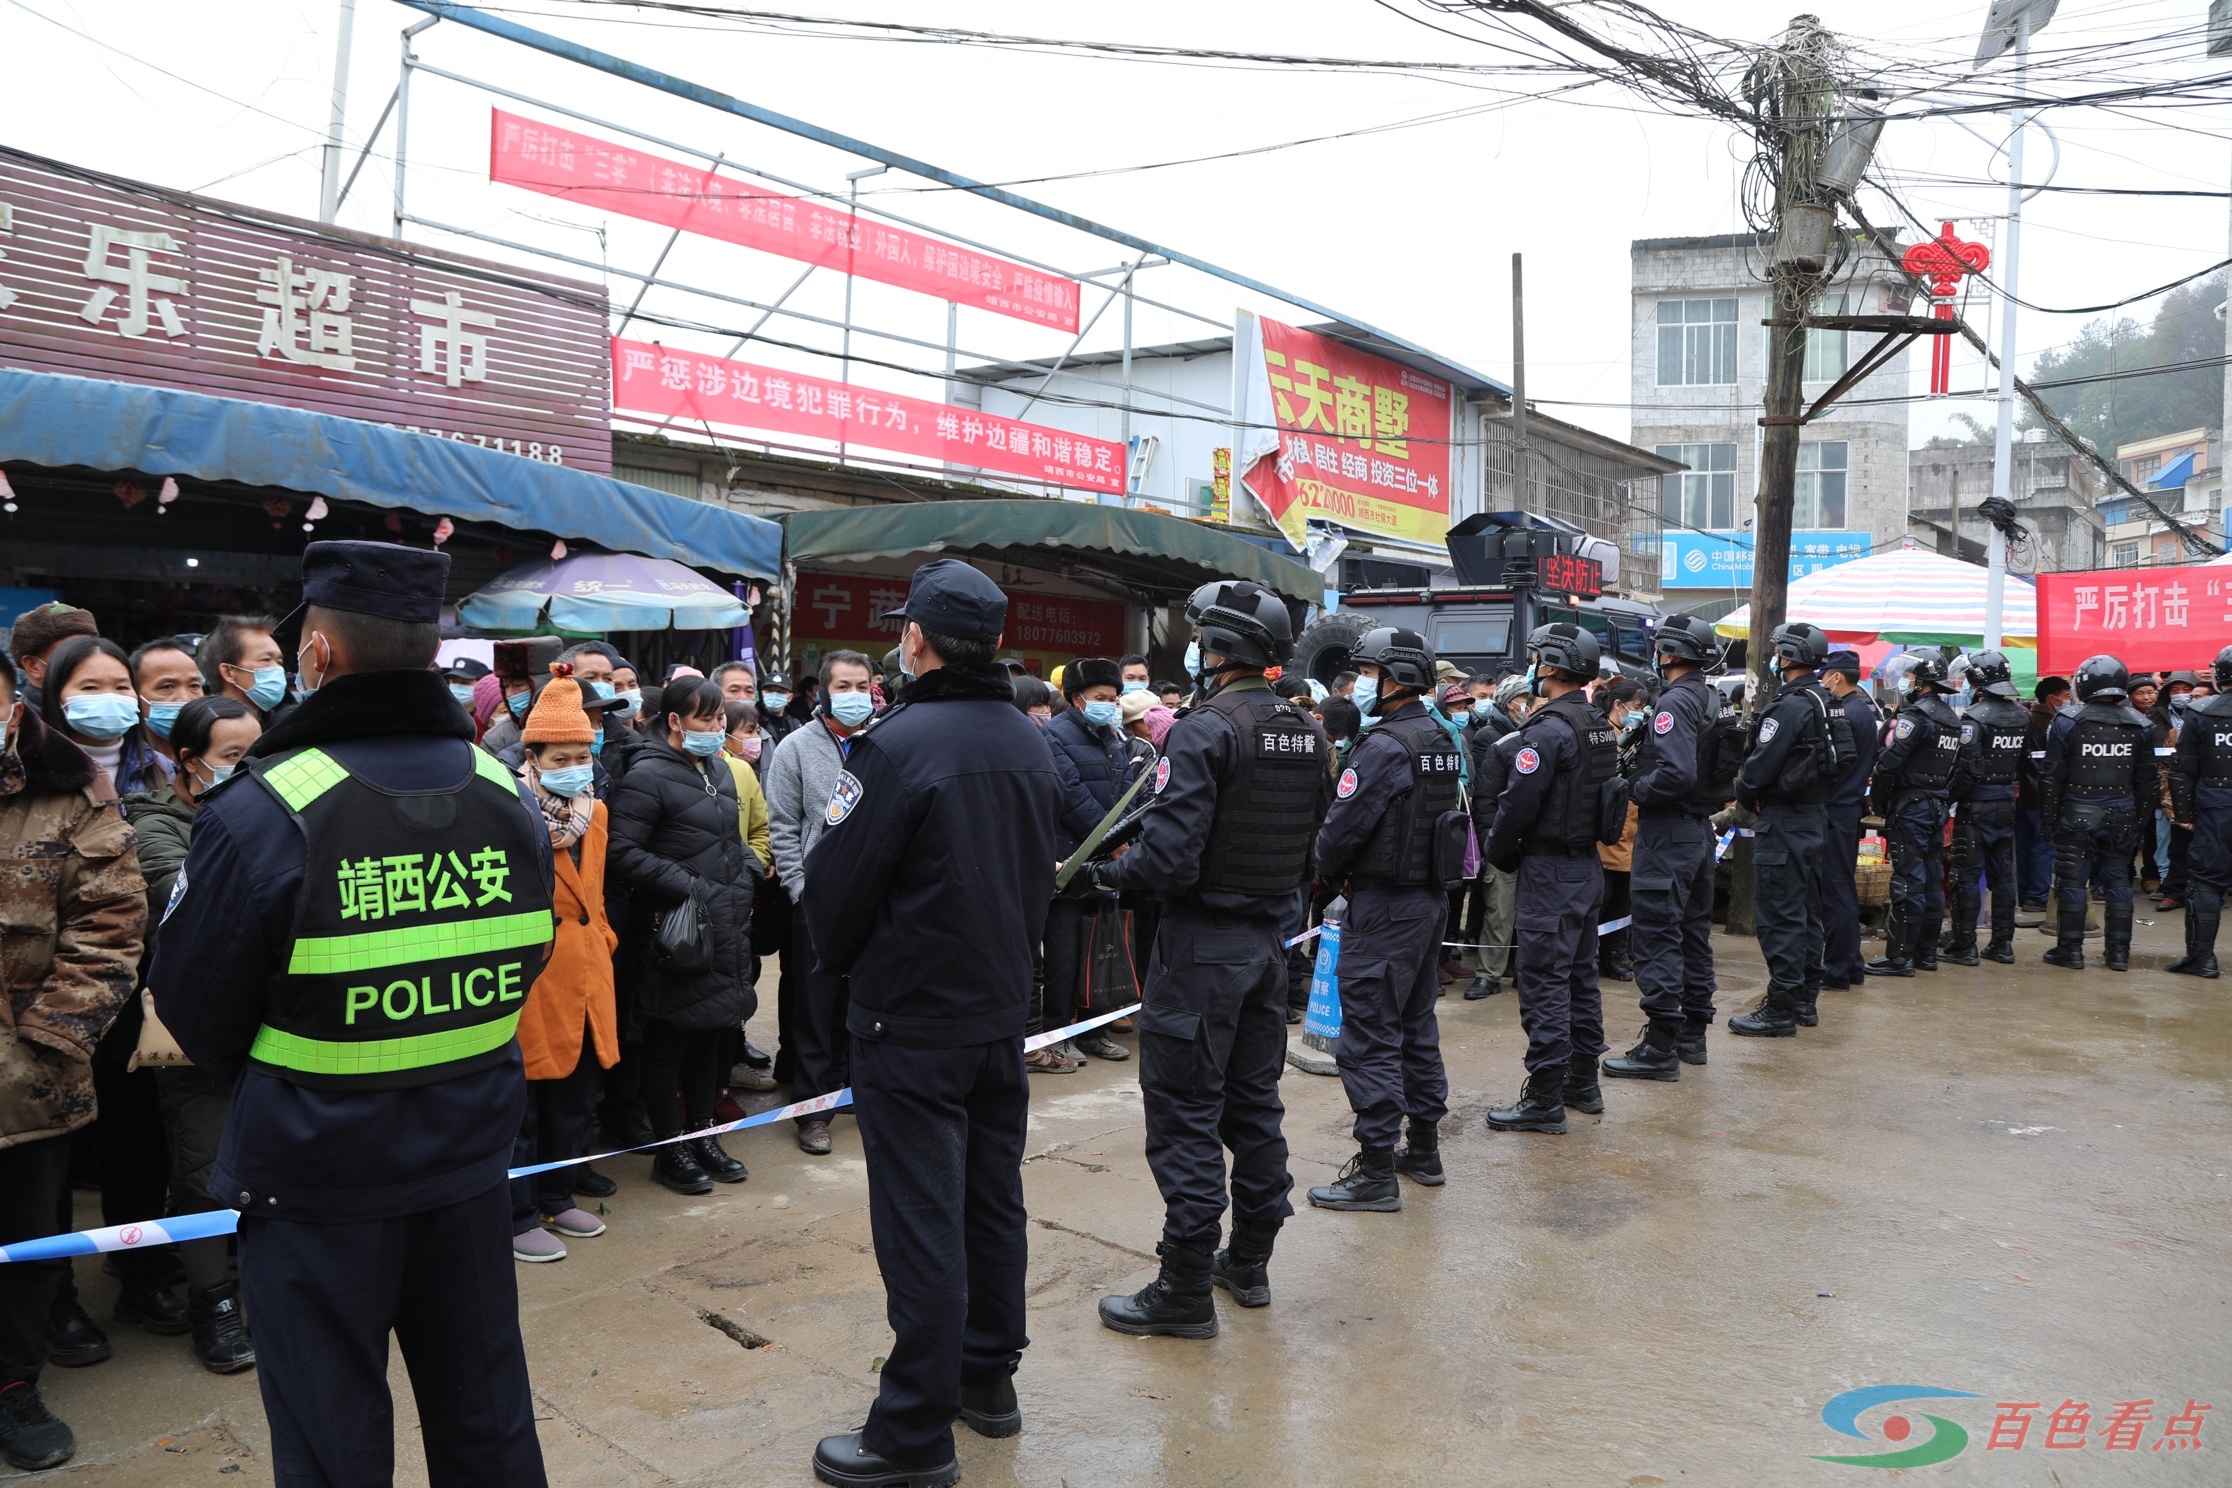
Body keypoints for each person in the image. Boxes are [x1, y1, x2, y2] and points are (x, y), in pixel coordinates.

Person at [150, 541, 555, 1487]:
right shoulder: (509, 797)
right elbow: (520, 962)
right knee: (489, 1421)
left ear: (320, 655)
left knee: (332, 1442)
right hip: (470, 1166)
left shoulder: (262, 809)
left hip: (313, 1186)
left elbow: (195, 1013)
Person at [798, 560, 1063, 1488]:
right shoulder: (1027, 739)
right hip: (997, 1016)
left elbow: (832, 892)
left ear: (918, 639)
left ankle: (912, 1430)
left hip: (911, 1020)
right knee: (990, 1203)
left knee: (921, 1221)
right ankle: (987, 1381)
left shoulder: (897, 745)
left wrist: (842, 976)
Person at [1093, 580, 1329, 1335]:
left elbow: (1168, 860)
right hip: (1269, 946)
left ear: (1220, 648)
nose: (1193, 647)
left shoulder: (1203, 730)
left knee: (1187, 1117)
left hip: (1201, 952)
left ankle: (1185, 1288)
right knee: (1254, 1109)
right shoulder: (1307, 731)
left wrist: (1110, 880)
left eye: (1200, 636)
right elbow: (1313, 846)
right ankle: (1249, 1264)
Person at [0, 644, 145, 1471]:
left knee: (27, 1240)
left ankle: (14, 1385)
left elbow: (112, 927)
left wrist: (48, 1046)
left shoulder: (69, 802)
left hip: (32, 1080)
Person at [124, 694, 260, 1374]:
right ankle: (214, 1303)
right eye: (234, 757)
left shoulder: (267, 815)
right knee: (204, 1164)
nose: (249, 770)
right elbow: (179, 902)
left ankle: (263, 1288)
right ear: (188, 762)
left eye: (256, 754)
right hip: (186, 1020)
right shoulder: (152, 822)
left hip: (268, 1014)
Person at [1305, 627, 1457, 1210]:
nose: (1363, 682)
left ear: (1394, 680)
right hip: (1427, 903)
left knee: (1369, 1032)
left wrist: (1325, 869)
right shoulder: (1439, 737)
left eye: (1369, 673)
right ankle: (1422, 1148)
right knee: (1416, 1027)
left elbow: (1339, 835)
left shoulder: (1383, 747)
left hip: (1387, 906)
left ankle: (1374, 1171)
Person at [606, 675, 755, 1194]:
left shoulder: (718, 769)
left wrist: (747, 867)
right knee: (670, 1042)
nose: (717, 729)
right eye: (706, 720)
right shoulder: (647, 775)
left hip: (724, 924)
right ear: (674, 721)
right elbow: (622, 851)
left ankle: (702, 1135)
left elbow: (726, 838)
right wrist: (688, 885)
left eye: (720, 720)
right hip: (677, 931)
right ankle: (671, 1149)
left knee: (709, 1039)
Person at [503, 667, 622, 1263]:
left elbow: (595, 893)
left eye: (583, 753)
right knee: (523, 1101)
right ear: (534, 756)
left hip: (586, 970)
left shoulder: (593, 812)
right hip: (533, 975)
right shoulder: (509, 811)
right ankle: (519, 1212)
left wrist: (603, 938)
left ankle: (558, 1193)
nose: (576, 764)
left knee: (575, 1094)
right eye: (562, 756)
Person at [1480, 624, 1618, 1133]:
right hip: (1585, 867)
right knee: (1580, 979)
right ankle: (1582, 1081)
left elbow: (1517, 804)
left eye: (1539, 658)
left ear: (1555, 667)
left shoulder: (1547, 730)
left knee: (1544, 984)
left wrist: (1499, 852)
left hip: (1551, 871)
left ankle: (1544, 1097)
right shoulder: (1598, 722)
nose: (1534, 666)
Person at [1604, 614, 1725, 1081]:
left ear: (1670, 653)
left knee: (1658, 935)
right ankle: (1693, 1034)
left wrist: (1637, 788)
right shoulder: (1708, 695)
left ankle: (1659, 1046)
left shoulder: (1676, 700)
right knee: (1693, 933)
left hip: (1668, 832)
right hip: (1696, 831)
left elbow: (1676, 773)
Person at [765, 649, 877, 1150]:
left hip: (874, 899)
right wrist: (800, 889)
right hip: (816, 899)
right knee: (814, 1005)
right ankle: (812, 1109)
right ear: (823, 691)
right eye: (845, 686)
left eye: (863, 686)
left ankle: (850, 1085)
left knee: (861, 1001)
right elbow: (783, 828)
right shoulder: (795, 747)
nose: (855, 696)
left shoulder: (884, 742)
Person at [1729, 622, 1848, 1037]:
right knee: (1806, 913)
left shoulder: (1790, 706)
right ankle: (1803, 1000)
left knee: (1780, 915)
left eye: (1779, 651)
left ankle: (1780, 1006)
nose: (1774, 657)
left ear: (1789, 656)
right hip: (1815, 815)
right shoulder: (1827, 699)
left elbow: (1759, 768)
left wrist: (1745, 793)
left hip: (1784, 821)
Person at [1041, 658, 1151, 1064]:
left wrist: (1121, 839)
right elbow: (1070, 795)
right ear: (1077, 698)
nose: (1110, 705)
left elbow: (1127, 790)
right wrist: (1113, 841)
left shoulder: (1114, 736)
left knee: (1101, 949)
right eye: (1101, 698)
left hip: (1107, 863)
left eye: (1114, 697)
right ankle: (1056, 1034)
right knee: (1064, 954)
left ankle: (1094, 1029)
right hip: (1068, 861)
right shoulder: (1054, 736)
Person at [2038, 655, 2155, 972]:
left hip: (2076, 813)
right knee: (2119, 882)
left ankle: (2070, 950)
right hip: (2122, 813)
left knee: (2073, 882)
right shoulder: (2141, 725)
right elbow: (2147, 782)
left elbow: (2052, 778)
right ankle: (2118, 954)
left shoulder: (2066, 721)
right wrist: (2139, 823)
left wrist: (2047, 820)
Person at [1865, 654, 1961, 978]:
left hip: (1911, 807)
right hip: (1936, 807)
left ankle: (1899, 958)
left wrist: (1879, 802)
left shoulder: (1916, 716)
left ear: (1922, 680)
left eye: (1909, 674)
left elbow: (1889, 763)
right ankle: (1926, 954)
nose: (1904, 679)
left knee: (1907, 883)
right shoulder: (1952, 718)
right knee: (1933, 881)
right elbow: (1955, 769)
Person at [1945, 651, 2028, 966]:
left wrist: (1949, 798)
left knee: (1965, 876)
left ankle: (1965, 945)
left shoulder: (1975, 718)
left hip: (1976, 804)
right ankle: (2003, 944)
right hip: (2006, 802)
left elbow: (1968, 768)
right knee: (2003, 876)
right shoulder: (2020, 715)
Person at [2166, 645, 2232, 977]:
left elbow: (2181, 768)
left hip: (2215, 809)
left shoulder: (2201, 711)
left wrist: (2185, 815)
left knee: (2205, 883)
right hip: (2213, 804)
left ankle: (2202, 958)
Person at [1817, 653, 1880, 990]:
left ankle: (1838, 969)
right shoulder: (1861, 711)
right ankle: (1851, 962)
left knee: (1836, 890)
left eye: (1824, 675)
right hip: (1849, 807)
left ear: (1836, 677)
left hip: (1837, 810)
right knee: (1842, 888)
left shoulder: (1844, 713)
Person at [44, 636, 171, 797]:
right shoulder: (31, 772)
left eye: (122, 687)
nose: (110, 697)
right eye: (90, 687)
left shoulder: (163, 769)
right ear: (55, 695)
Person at [2018, 676, 2071, 914]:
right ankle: (2037, 897)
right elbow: (2044, 767)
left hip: (2025, 797)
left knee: (2025, 847)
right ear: (2053, 698)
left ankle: (2025, 894)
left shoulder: (2028, 720)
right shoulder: (2049, 724)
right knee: (2043, 847)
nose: (2068, 701)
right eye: (2066, 695)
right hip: (2042, 798)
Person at [197, 615, 291, 726]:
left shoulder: (286, 726)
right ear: (228, 672)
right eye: (266, 660)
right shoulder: (201, 728)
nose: (277, 669)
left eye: (279, 662)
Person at [131, 637, 207, 767]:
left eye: (194, 686)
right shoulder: (121, 762)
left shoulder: (215, 756)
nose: (185, 699)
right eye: (167, 687)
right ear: (134, 694)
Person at [8, 604, 101, 703]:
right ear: (32, 665)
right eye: (71, 654)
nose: (88, 664)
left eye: (90, 651)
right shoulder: (16, 717)